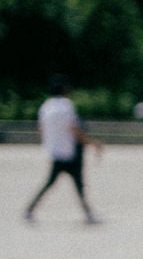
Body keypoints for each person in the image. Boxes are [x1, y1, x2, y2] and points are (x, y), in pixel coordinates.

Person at [24, 76, 99, 223]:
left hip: (56, 152)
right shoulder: (66, 105)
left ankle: (30, 209)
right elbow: (73, 129)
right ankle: (88, 213)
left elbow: (42, 130)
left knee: (50, 183)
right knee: (78, 184)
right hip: (70, 152)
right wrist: (91, 142)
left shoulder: (45, 106)